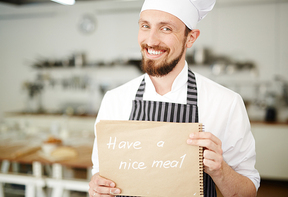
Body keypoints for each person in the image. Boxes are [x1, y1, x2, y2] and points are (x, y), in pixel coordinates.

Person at [89, 0, 260, 196]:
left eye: (166, 28)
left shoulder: (225, 103)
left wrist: (220, 171)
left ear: (191, 38)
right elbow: (100, 177)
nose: (151, 40)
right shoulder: (115, 100)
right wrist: (97, 188)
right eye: (145, 26)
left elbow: (249, 193)